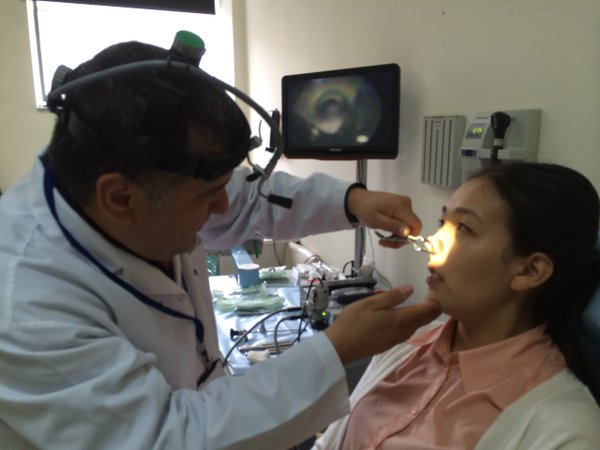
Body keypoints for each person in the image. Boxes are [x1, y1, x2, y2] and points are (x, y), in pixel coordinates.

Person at [0, 37, 441, 450]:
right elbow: (168, 439)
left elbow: (249, 200)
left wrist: (353, 201)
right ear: (120, 198)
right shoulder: (25, 308)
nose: (224, 204)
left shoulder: (137, 185)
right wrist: (338, 349)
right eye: (208, 193)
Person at [313, 162, 600, 450]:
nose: (434, 241)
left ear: (529, 270)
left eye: (464, 228)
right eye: (442, 223)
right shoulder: (403, 344)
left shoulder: (566, 433)